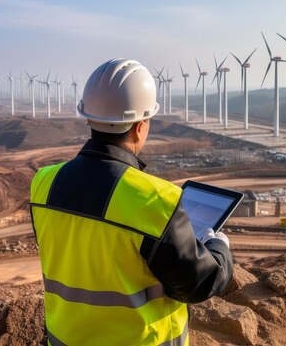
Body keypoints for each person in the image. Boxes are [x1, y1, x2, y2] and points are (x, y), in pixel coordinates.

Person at [30, 58, 233, 346]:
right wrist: (218, 247)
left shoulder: (43, 183)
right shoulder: (155, 199)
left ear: (89, 117)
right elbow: (198, 283)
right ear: (140, 127)